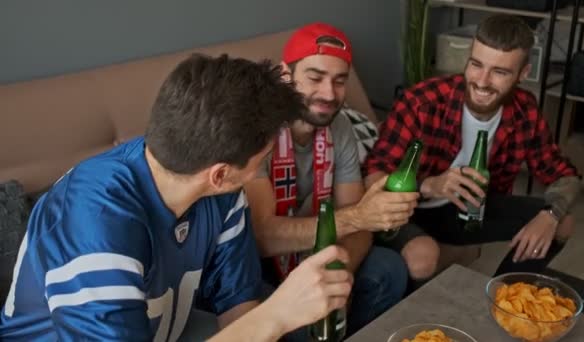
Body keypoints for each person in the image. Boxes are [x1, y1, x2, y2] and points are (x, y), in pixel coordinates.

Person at [0, 54, 353, 342]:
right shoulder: (95, 219)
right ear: (219, 174)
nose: (262, 169)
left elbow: (238, 305)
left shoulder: (221, 193)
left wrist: (273, 318)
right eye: (261, 161)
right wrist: (277, 314)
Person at [363, 14, 580, 283]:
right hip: (410, 209)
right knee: (422, 259)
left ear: (523, 73)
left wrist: (550, 215)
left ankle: (503, 295)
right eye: (476, 65)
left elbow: (564, 173)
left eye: (500, 72)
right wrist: (429, 185)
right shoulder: (422, 102)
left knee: (563, 222)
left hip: (469, 211)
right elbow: (373, 176)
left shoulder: (525, 109)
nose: (482, 81)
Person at [244, 23, 418, 337]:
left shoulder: (339, 130)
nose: (329, 94)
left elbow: (359, 228)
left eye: (340, 81)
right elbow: (263, 237)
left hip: (320, 251)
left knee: (388, 269)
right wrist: (359, 216)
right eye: (315, 77)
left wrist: (339, 277)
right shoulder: (256, 129)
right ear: (286, 74)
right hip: (261, 263)